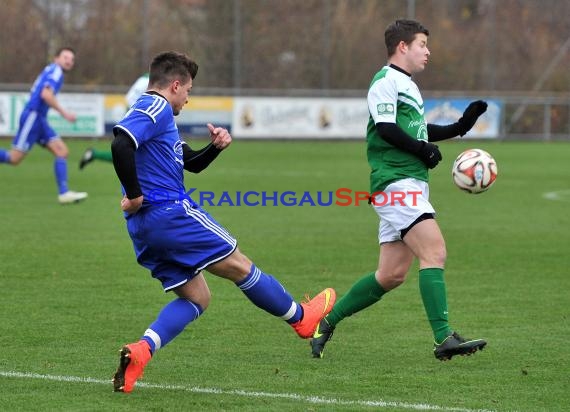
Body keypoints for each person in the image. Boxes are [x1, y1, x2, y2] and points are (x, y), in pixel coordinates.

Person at [110, 51, 336, 393]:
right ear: (174, 85)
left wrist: (215, 147)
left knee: (197, 298)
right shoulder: (153, 107)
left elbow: (192, 164)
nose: (188, 98)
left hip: (144, 229)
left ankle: (142, 351)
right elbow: (120, 143)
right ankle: (302, 319)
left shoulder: (162, 121)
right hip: (169, 213)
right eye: (188, 90)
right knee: (239, 264)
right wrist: (135, 192)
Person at [310, 19, 488, 361]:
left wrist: (460, 126)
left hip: (408, 184)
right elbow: (387, 128)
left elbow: (416, 129)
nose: (428, 51)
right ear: (403, 47)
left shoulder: (406, 84)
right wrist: (422, 150)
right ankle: (443, 338)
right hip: (395, 183)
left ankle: (326, 322)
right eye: (422, 43)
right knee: (434, 251)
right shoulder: (385, 80)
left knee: (390, 275)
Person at [0, 47, 87, 204]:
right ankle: (64, 192)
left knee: (62, 151)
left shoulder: (51, 70)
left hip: (39, 119)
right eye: (65, 57)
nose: (69, 61)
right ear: (56, 58)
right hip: (33, 117)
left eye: (72, 59)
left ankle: (64, 193)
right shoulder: (56, 72)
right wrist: (65, 114)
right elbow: (45, 95)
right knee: (14, 158)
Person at [79, 72, 149, 169]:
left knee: (130, 155)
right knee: (128, 155)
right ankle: (94, 154)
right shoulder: (156, 78)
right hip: (136, 113)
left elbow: (130, 97)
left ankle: (93, 154)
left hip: (132, 111)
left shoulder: (149, 75)